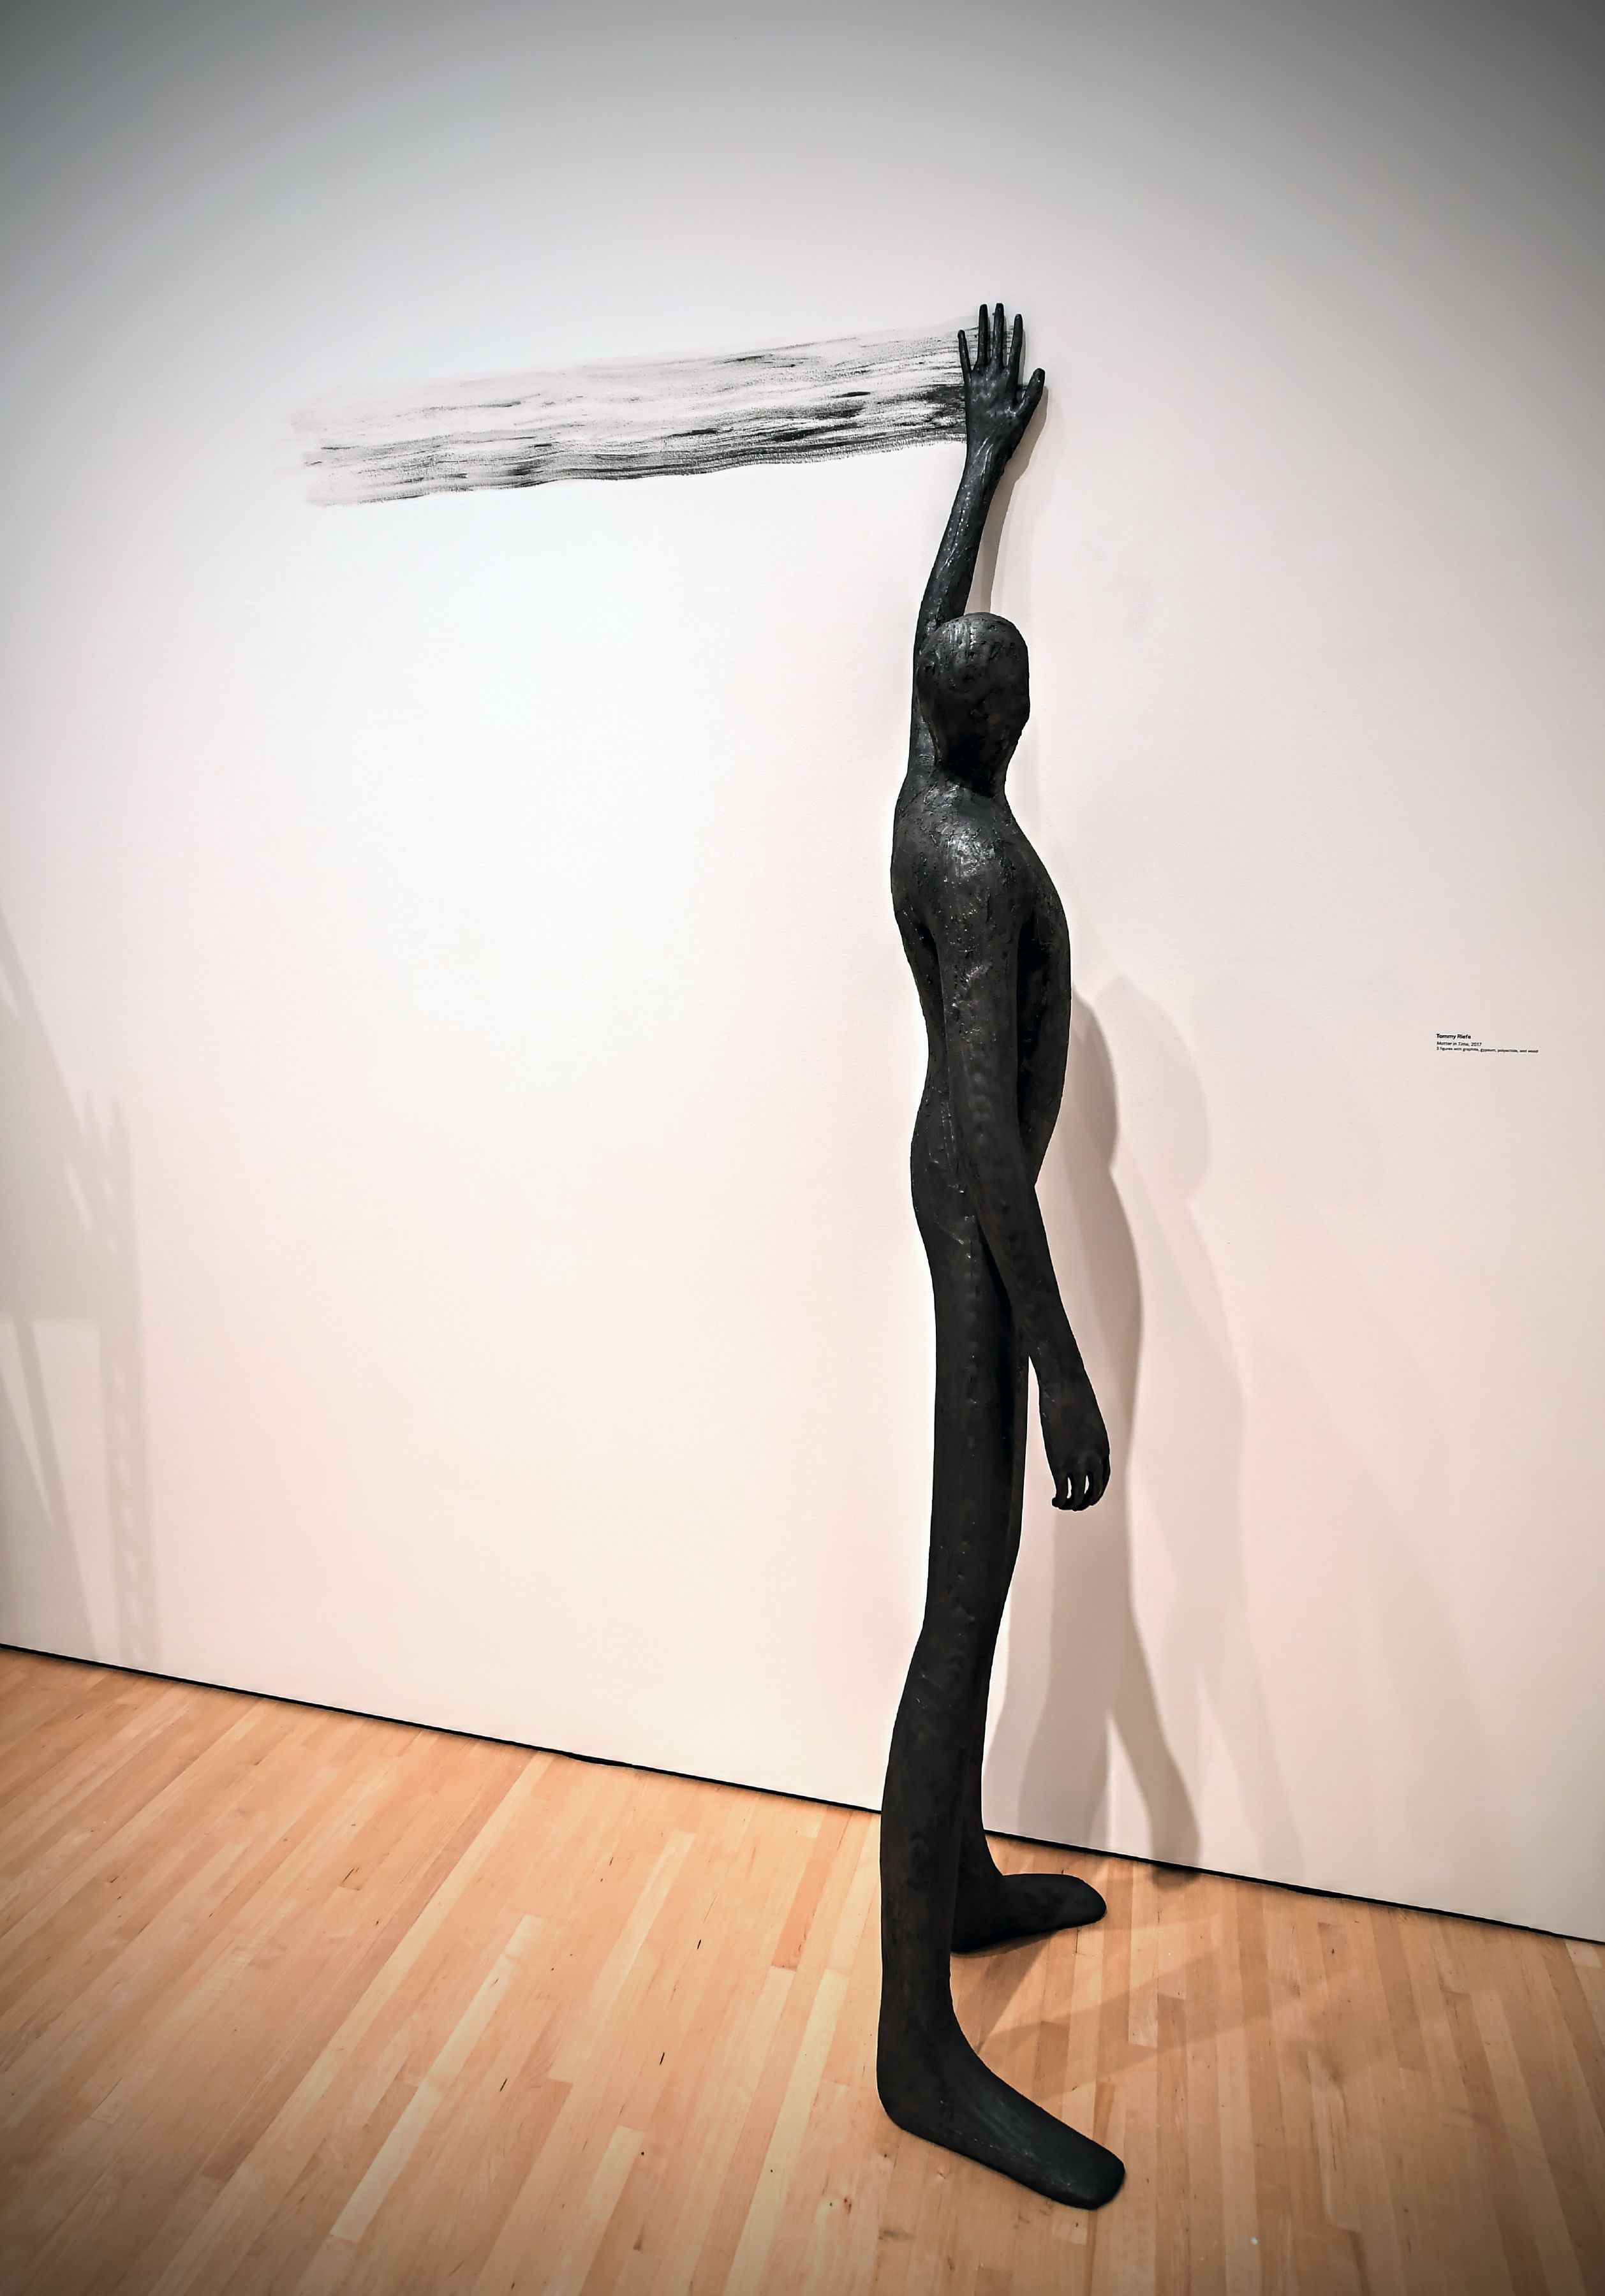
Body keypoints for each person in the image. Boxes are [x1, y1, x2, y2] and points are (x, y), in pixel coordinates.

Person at [876, 304, 1124, 2209]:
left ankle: (955, 1885)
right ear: (1010, 715)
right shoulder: (968, 856)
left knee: (972, 1591)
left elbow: (922, 637)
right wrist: (1056, 1366)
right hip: (978, 1223)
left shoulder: (930, 784)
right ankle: (916, 2047)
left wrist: (975, 469)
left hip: (970, 1205)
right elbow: (982, 1130)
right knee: (964, 1602)